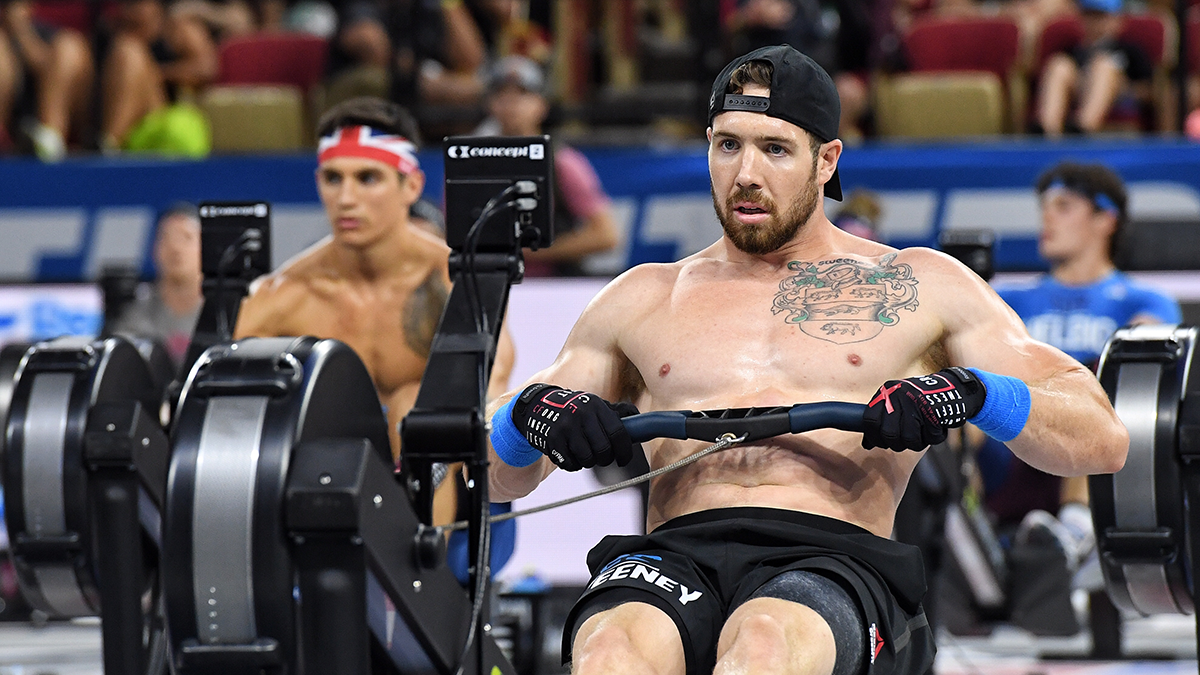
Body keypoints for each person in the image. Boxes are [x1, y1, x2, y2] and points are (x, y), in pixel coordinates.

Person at [484, 45, 1127, 675]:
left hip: (832, 555)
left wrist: (977, 393)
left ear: (827, 161)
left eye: (775, 149)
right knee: (609, 653)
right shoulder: (644, 295)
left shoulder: (916, 284)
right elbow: (492, 479)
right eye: (727, 144)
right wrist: (525, 421)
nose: (745, 175)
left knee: (764, 644)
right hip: (675, 554)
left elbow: (1102, 439)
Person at [233, 96, 515, 532]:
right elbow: (217, 402)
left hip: (453, 480)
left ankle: (421, 576)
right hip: (326, 477)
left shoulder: (454, 281)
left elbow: (492, 384)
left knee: (419, 412)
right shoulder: (284, 295)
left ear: (412, 186)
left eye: (368, 178)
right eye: (333, 178)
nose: (347, 198)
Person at [979, 161, 1180, 554]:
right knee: (959, 383)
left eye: (1064, 206)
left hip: (1090, 449)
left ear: (1106, 219)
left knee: (1100, 373)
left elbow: (1147, 370)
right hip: (1012, 444)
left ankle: (1074, 529)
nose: (1047, 218)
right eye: (1044, 208)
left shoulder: (1143, 300)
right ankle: (961, 524)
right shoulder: (1009, 300)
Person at [476, 55, 618, 276]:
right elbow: (449, 231)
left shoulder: (562, 162)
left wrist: (528, 252)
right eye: (501, 94)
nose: (511, 103)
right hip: (489, 281)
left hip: (552, 289)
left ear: (541, 105)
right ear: (488, 104)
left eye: (522, 94)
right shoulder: (474, 162)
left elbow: (605, 235)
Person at [100, 0, 215, 157]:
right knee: (128, 51)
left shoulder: (179, 29)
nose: (131, 13)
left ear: (157, 7)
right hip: (116, 124)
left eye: (138, 5)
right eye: (127, 5)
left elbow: (206, 69)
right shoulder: (111, 31)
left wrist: (156, 74)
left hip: (159, 120)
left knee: (130, 53)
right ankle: (109, 145)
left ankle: (110, 145)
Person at [1035, 0, 1152, 137]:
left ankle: (1083, 128)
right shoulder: (1074, 50)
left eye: (1101, 17)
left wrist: (1125, 89)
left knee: (1103, 66)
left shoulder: (1130, 50)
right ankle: (1048, 130)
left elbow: (1148, 89)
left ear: (1118, 20)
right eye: (1089, 16)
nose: (1094, 23)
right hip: (1080, 89)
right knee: (1059, 65)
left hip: (1119, 96)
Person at [109, 203, 204, 368]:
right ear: (155, 249)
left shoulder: (222, 316)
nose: (175, 247)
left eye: (186, 238)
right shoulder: (134, 315)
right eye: (166, 238)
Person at [0, 1, 96, 160]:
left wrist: (21, 31)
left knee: (69, 47)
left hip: (54, 116)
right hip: (12, 123)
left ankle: (49, 140)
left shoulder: (53, 36)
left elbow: (48, 69)